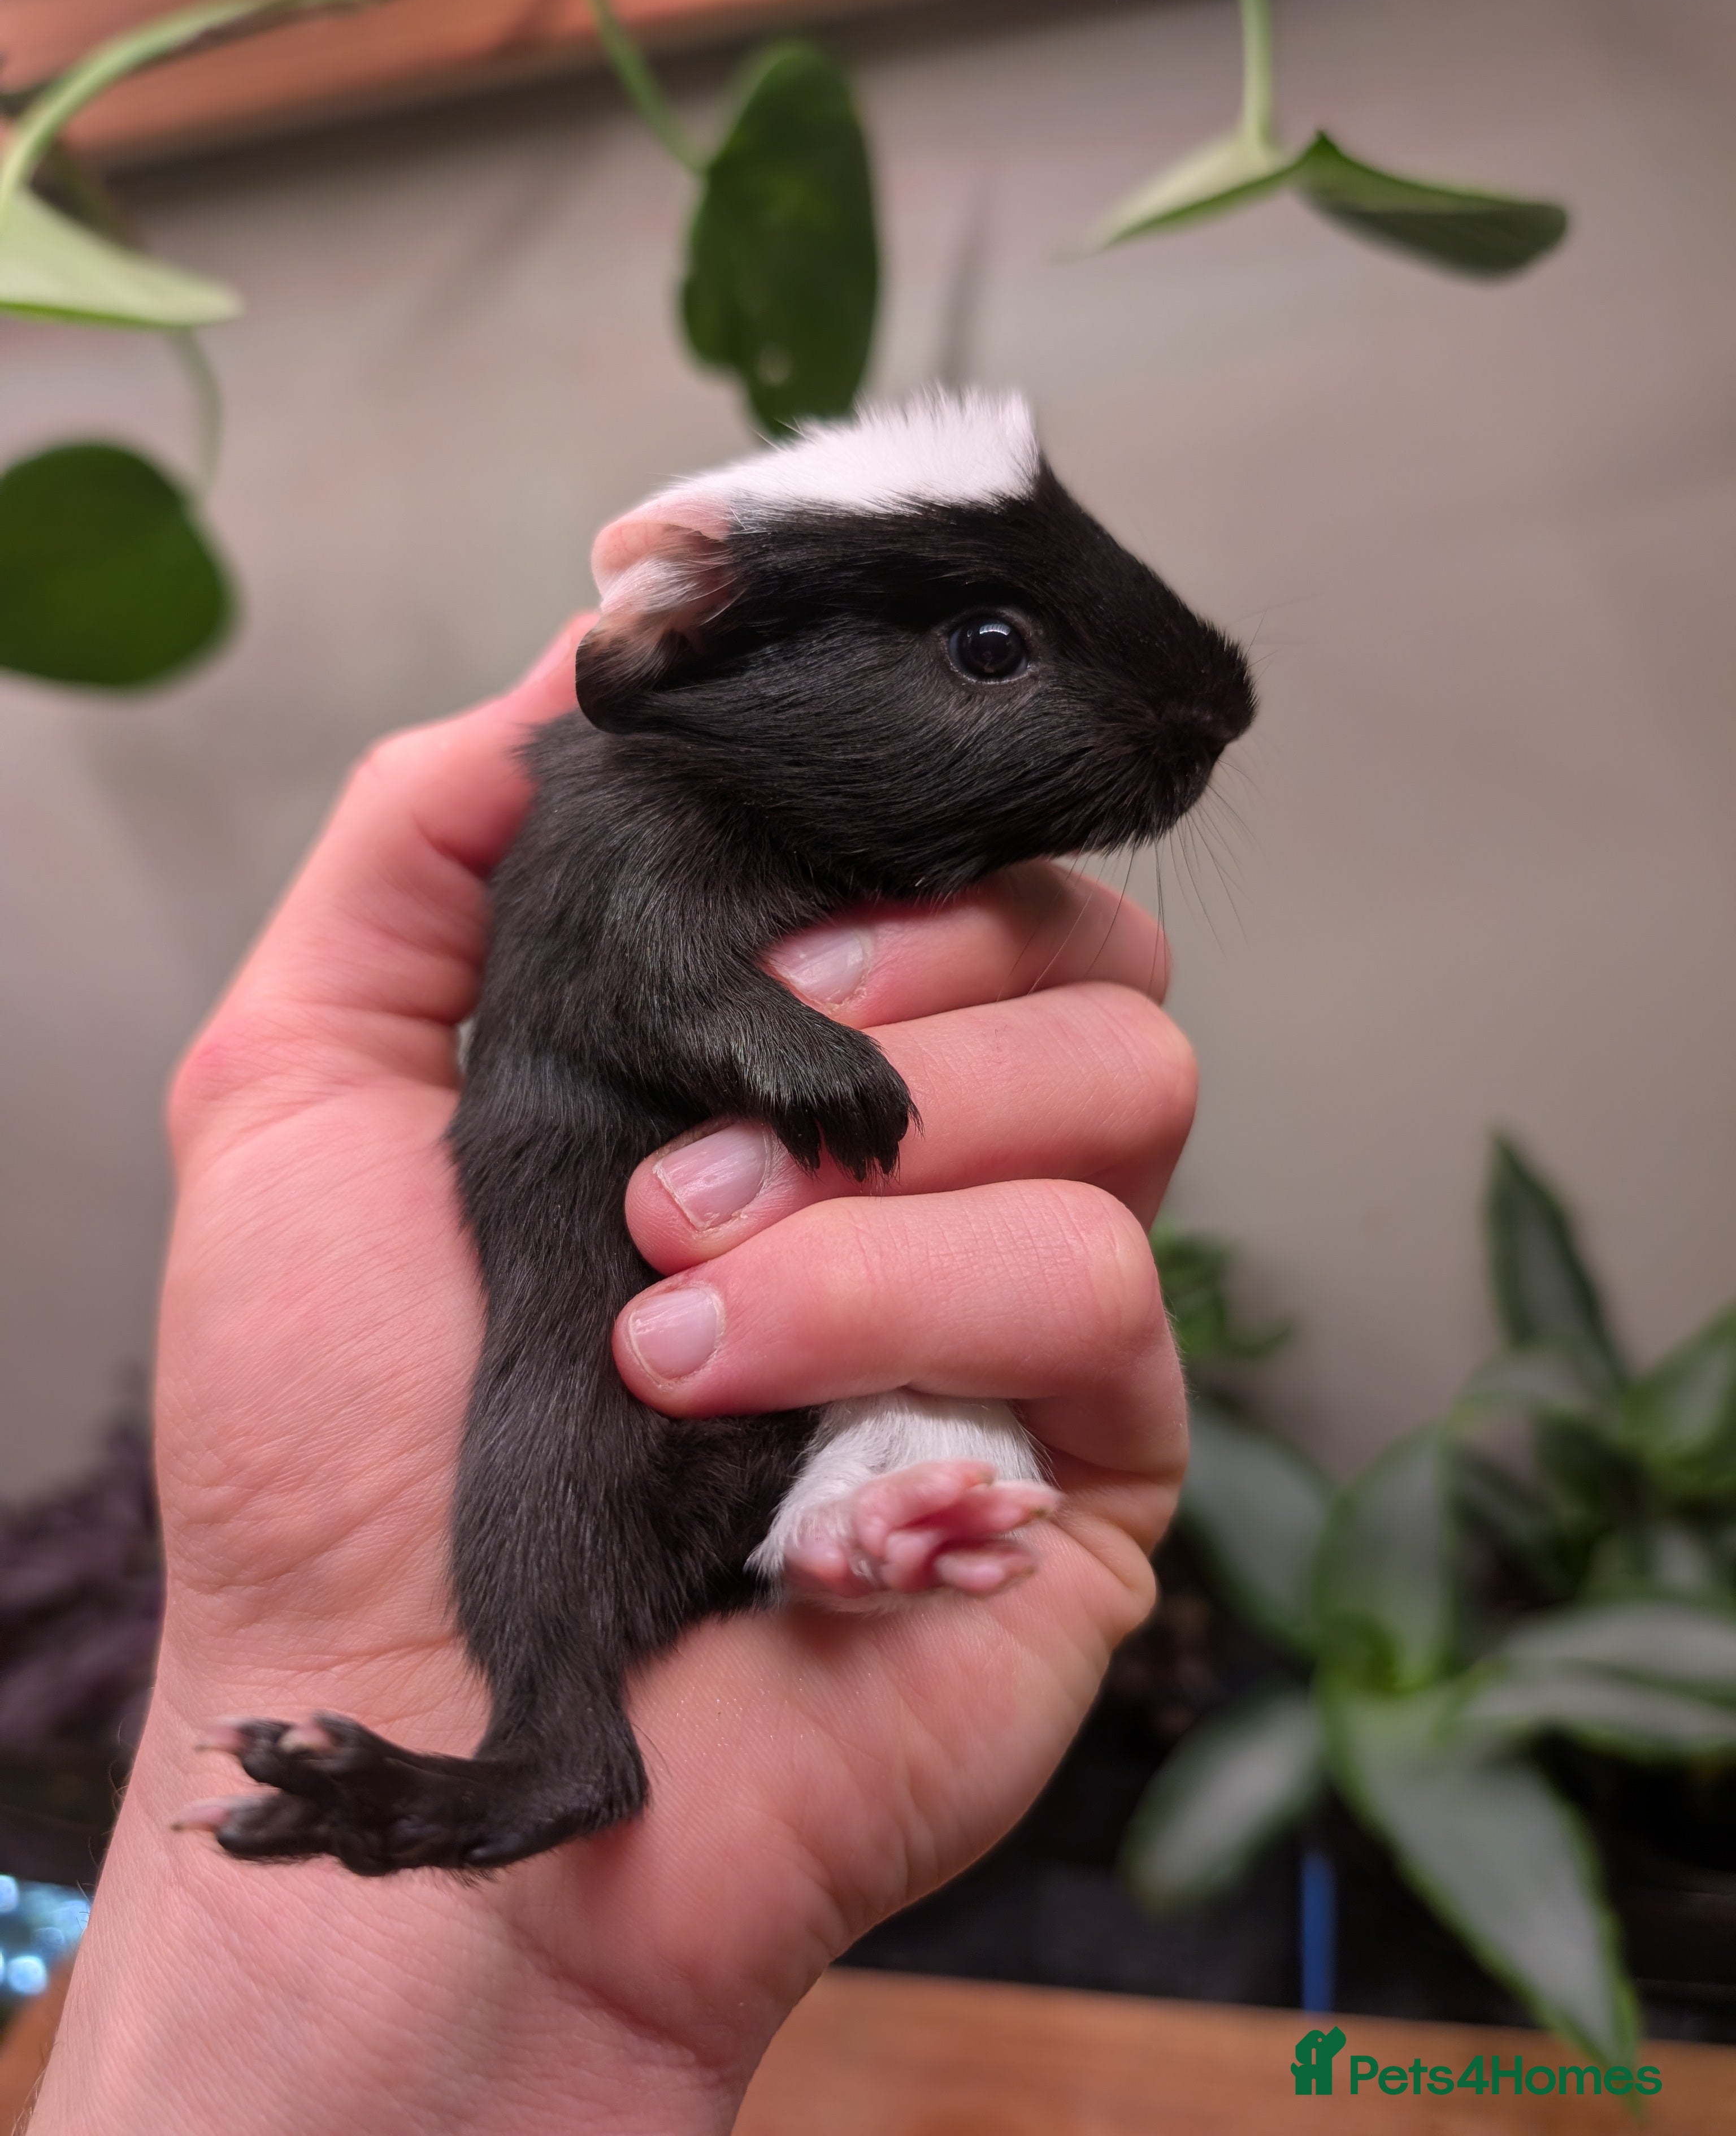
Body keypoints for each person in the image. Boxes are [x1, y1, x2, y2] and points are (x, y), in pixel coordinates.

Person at [31, 618, 1196, 2135]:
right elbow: (636, 968)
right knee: (546, 1430)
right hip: (579, 1346)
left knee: (887, 1381)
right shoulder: (629, 802)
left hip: (767, 1443)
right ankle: (553, 1745)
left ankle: (865, 1513)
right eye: (982, 648)